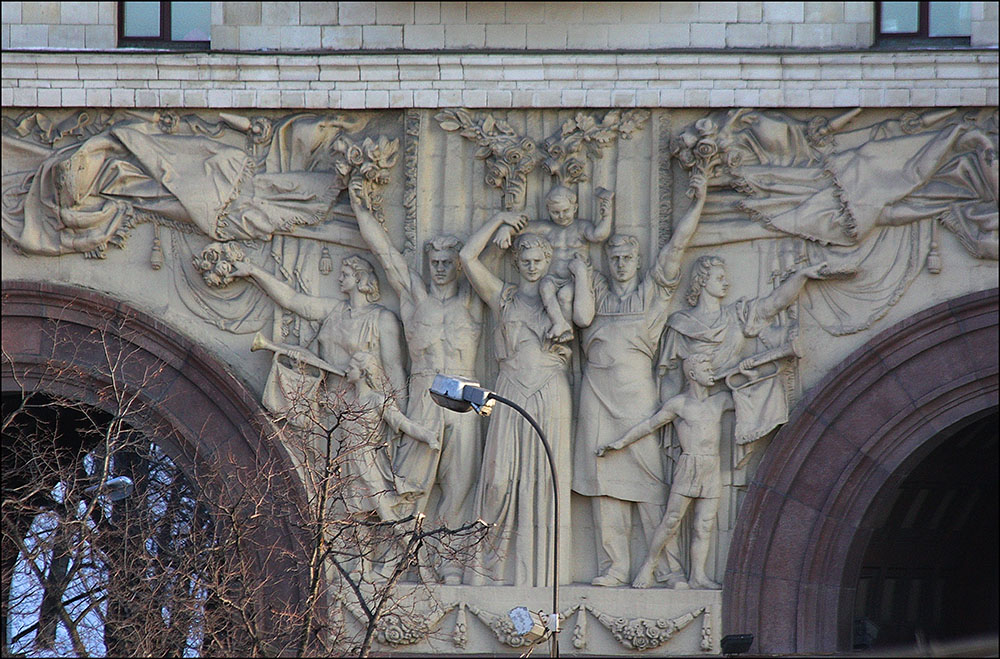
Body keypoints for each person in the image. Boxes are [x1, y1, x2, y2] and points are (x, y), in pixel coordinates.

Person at [571, 174, 710, 588]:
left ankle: (667, 568)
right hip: (596, 396)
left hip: (636, 399)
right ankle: (614, 567)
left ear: (637, 260)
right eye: (613, 257)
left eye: (627, 257)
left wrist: (697, 203)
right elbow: (569, 251)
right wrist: (600, 217)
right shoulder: (595, 290)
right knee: (603, 486)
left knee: (650, 484)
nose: (619, 264)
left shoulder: (651, 294)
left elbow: (676, 248)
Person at [348, 181, 485, 584]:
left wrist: (501, 219)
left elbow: (477, 256)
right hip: (426, 391)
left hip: (468, 392)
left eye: (447, 262)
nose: (440, 268)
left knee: (459, 484)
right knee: (410, 484)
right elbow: (386, 255)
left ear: (457, 265)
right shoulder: (415, 299)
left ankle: (449, 560)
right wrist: (361, 211)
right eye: (434, 261)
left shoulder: (470, 300)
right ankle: (396, 557)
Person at [460, 211, 595, 586]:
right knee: (497, 480)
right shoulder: (503, 297)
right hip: (509, 391)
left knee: (544, 484)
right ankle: (484, 568)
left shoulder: (562, 296)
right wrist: (499, 219)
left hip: (550, 390)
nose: (532, 266)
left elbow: (585, 318)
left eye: (538, 260)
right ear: (516, 261)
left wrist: (582, 275)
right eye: (526, 260)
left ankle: (542, 580)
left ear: (548, 260)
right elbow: (467, 257)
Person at [597, 353, 733, 590]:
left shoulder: (720, 401)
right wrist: (620, 443)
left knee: (704, 526)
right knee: (671, 520)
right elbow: (649, 426)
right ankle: (649, 564)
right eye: (706, 369)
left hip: (712, 467)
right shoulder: (679, 405)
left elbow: (750, 394)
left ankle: (698, 575)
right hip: (689, 465)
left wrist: (750, 370)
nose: (712, 372)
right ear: (692, 375)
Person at [231, 253, 408, 411]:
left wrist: (400, 417)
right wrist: (253, 271)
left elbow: (394, 369)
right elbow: (291, 300)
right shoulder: (334, 310)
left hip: (361, 408)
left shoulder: (382, 319)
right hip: (326, 401)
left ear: (360, 278)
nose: (339, 278)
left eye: (345, 274)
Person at [491, 185, 612, 342]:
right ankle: (559, 323)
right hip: (553, 278)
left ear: (575, 208)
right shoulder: (546, 228)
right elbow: (521, 228)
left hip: (573, 279)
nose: (561, 216)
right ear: (548, 210)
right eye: (555, 212)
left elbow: (598, 235)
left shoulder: (581, 227)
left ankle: (567, 330)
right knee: (545, 287)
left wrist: (606, 216)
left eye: (565, 211)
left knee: (564, 296)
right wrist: (506, 230)